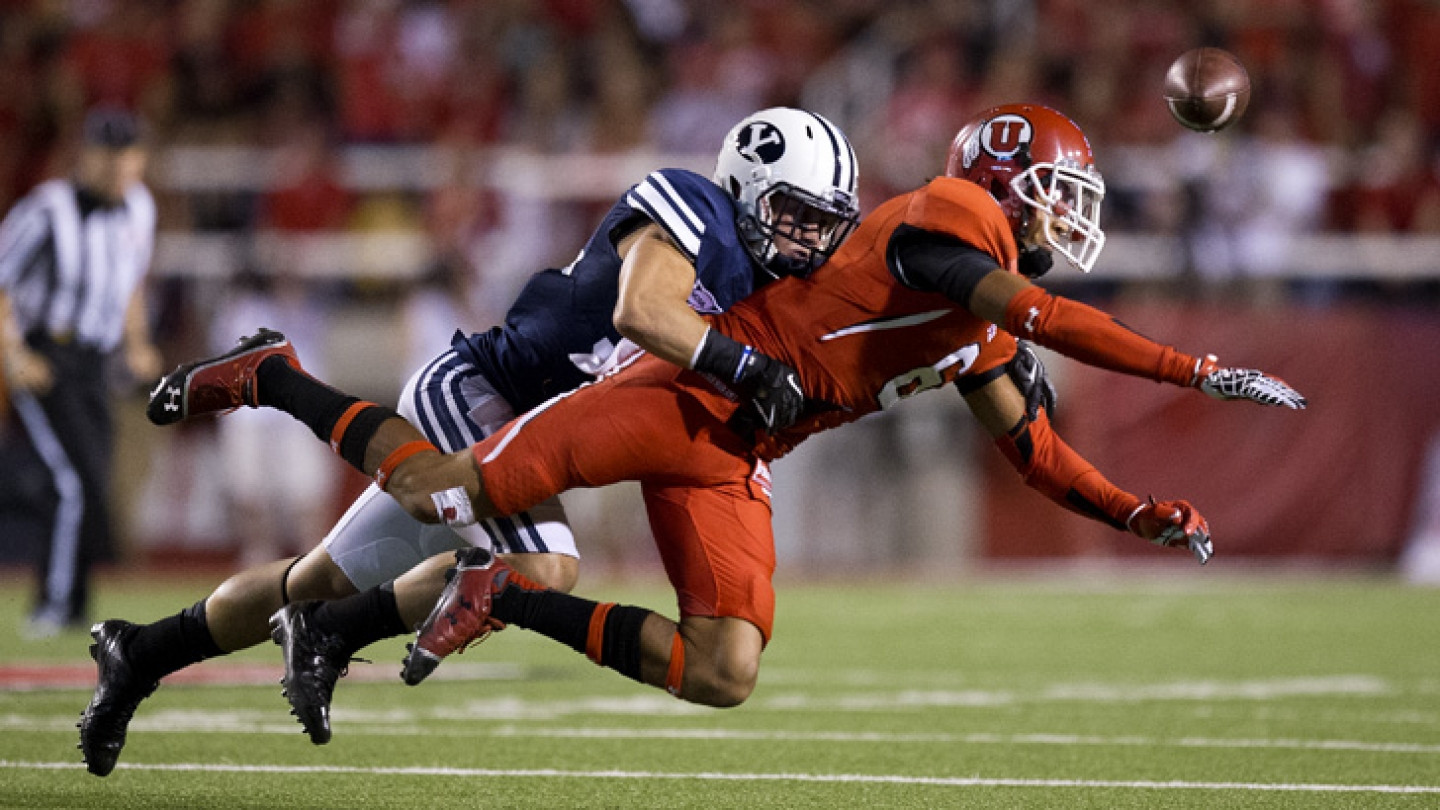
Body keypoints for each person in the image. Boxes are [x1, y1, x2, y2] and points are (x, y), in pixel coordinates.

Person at [136, 104, 1304, 740]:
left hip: (742, 451)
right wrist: (1192, 369)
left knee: (726, 670)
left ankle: (509, 598)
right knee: (441, 491)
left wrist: (1137, 511)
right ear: (1001, 188)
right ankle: (276, 376)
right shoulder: (949, 225)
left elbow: (1036, 452)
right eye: (1057, 191)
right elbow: (1038, 311)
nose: (1068, 215)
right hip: (682, 396)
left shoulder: (978, 330)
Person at [76, 107, 860, 776]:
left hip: (526, 430)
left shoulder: (764, 288)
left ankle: (141, 653)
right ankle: (274, 382)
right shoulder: (694, 205)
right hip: (482, 394)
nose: (808, 239)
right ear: (748, 184)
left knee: (313, 580)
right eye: (795, 214)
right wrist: (742, 363)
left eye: (823, 223)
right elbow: (643, 311)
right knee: (541, 568)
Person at [0, 107, 162, 638]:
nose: (119, 167)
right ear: (86, 155)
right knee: (70, 483)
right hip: (48, 355)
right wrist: (16, 354)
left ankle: (71, 600)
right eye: (109, 155)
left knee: (88, 483)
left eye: (128, 155)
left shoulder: (139, 209)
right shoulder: (46, 210)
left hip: (94, 361)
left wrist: (136, 343)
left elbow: (130, 281)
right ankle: (55, 606)